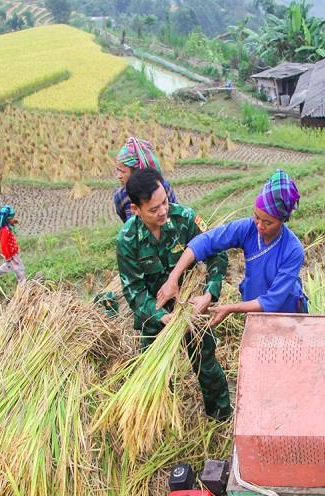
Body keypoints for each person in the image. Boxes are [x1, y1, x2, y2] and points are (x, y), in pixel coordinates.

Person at [116, 167, 231, 420]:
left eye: (165, 202)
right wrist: (161, 316)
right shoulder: (127, 240)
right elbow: (133, 291)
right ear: (136, 209)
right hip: (154, 317)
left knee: (207, 364)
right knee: (156, 374)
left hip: (191, 308)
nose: (163, 211)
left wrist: (210, 294)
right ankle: (165, 422)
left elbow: (217, 253)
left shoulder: (185, 220)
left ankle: (221, 416)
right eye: (154, 209)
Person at [156, 169, 307, 326]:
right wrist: (173, 277)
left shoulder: (293, 250)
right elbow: (205, 241)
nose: (260, 225)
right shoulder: (248, 228)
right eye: (256, 217)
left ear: (283, 220)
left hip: (287, 317)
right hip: (254, 316)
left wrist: (230, 308)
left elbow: (272, 301)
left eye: (268, 222)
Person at [113, 137, 178, 223]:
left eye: (122, 171)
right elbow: (126, 223)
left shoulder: (163, 187)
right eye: (118, 170)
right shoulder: (121, 196)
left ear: (136, 172)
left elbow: (176, 215)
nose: (119, 176)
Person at [0, 204, 25, 286]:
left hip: (12, 252)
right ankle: (22, 284)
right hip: (11, 253)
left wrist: (13, 222)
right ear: (7, 219)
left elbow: (9, 223)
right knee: (19, 268)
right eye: (11, 218)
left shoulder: (5, 226)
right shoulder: (5, 231)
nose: (12, 219)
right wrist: (8, 257)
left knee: (9, 266)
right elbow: (3, 244)